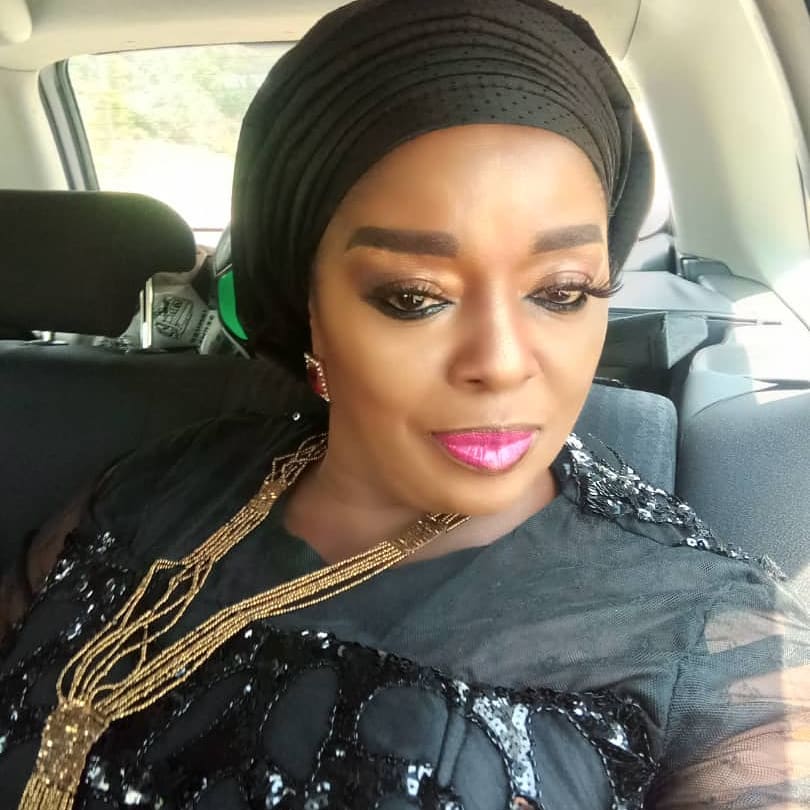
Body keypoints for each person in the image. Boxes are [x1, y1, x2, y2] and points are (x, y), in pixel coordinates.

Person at [1, 1, 809, 808]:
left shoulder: (708, 636)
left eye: (563, 291)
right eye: (415, 297)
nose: (501, 363)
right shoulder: (155, 488)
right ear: (309, 304)